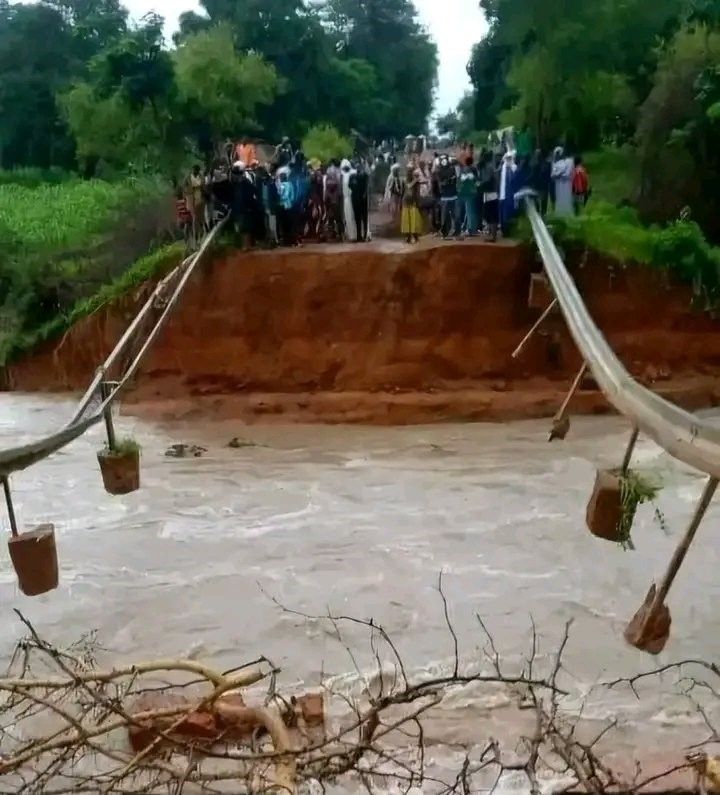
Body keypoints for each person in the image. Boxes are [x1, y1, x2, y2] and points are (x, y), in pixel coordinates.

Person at [456, 157, 479, 237]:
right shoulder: (473, 169)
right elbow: (476, 180)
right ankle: (470, 229)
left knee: (468, 211)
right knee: (471, 211)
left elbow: (460, 181)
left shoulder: (463, 169)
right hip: (471, 193)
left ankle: (467, 228)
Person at [479, 152, 499, 242]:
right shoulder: (489, 167)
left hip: (490, 194)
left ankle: (493, 236)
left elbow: (486, 181)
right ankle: (492, 234)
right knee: (489, 215)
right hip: (490, 193)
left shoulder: (488, 167)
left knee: (490, 215)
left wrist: (479, 185)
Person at [437, 155, 458, 238]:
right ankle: (444, 232)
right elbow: (440, 184)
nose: (444, 162)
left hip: (452, 194)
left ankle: (456, 230)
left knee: (454, 214)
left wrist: (449, 181)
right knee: (445, 215)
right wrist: (446, 182)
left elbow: (455, 179)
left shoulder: (452, 169)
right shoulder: (439, 171)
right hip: (445, 196)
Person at [185, 164, 206, 246]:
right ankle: (196, 238)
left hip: (200, 200)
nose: (195, 172)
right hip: (192, 201)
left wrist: (200, 188)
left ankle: (200, 236)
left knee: (200, 219)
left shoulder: (201, 177)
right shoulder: (188, 178)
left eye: (196, 170)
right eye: (194, 170)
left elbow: (204, 187)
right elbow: (185, 189)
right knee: (195, 219)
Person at [401, 167, 423, 243]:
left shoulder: (416, 182)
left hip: (413, 201)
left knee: (414, 220)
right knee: (407, 221)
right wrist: (415, 180)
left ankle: (414, 236)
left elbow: (417, 192)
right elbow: (408, 186)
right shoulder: (406, 180)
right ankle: (408, 237)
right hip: (406, 201)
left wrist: (418, 201)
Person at [349, 161, 370, 242]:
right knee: (357, 219)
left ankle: (365, 235)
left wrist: (364, 194)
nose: (358, 168)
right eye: (357, 167)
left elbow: (367, 186)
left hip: (363, 200)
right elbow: (349, 185)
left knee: (364, 218)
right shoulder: (352, 176)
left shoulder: (365, 176)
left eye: (359, 167)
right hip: (355, 199)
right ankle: (358, 236)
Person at [551, 146, 574, 216]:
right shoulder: (554, 163)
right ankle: (560, 212)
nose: (557, 155)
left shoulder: (569, 161)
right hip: (559, 184)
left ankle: (568, 211)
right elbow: (552, 174)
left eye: (558, 153)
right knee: (560, 197)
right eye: (556, 154)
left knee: (567, 196)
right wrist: (557, 175)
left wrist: (559, 174)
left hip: (566, 183)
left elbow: (568, 173)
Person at [499, 151, 517, 234]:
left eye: (509, 158)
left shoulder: (514, 167)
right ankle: (504, 230)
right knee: (502, 214)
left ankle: (508, 231)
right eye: (507, 158)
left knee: (508, 213)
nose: (508, 160)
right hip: (502, 194)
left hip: (510, 194)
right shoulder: (502, 167)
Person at [324, 160, 343, 241]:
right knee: (337, 217)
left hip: (331, 197)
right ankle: (338, 234)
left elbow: (328, 184)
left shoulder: (330, 170)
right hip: (335, 197)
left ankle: (334, 234)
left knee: (332, 217)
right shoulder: (338, 171)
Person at [276, 171, 295, 246]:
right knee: (288, 224)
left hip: (282, 205)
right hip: (288, 206)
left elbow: (279, 195)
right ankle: (288, 240)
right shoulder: (290, 184)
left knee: (283, 224)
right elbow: (292, 196)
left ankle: (285, 240)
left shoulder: (280, 185)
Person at [340, 159, 357, 241]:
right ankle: (350, 235)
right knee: (347, 218)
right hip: (345, 199)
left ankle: (355, 235)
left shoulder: (353, 174)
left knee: (353, 217)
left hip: (352, 198)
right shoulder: (342, 175)